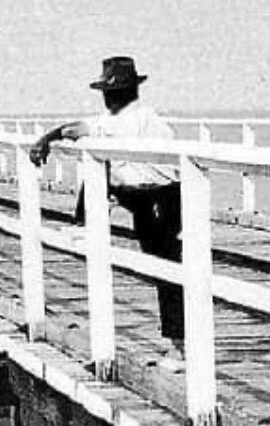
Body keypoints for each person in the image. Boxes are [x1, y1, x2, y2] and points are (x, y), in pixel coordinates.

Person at [29, 56, 185, 371]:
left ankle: (181, 348)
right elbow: (75, 128)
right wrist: (46, 139)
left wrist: (47, 139)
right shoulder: (112, 118)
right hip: (137, 192)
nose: (109, 97)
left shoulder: (139, 119)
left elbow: (79, 130)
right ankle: (84, 223)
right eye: (108, 91)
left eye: (114, 91)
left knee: (168, 269)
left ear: (130, 91)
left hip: (163, 196)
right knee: (96, 172)